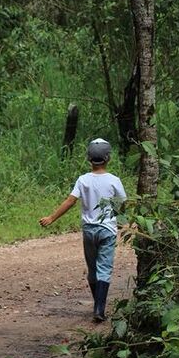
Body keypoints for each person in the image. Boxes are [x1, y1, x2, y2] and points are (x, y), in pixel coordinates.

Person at [38, 138, 126, 322]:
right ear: (108, 158)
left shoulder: (83, 180)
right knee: (105, 268)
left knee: (92, 269)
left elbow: (70, 201)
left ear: (89, 159)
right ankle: (99, 309)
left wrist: (51, 218)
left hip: (89, 231)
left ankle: (97, 304)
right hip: (107, 230)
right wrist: (118, 218)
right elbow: (122, 203)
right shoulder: (114, 180)